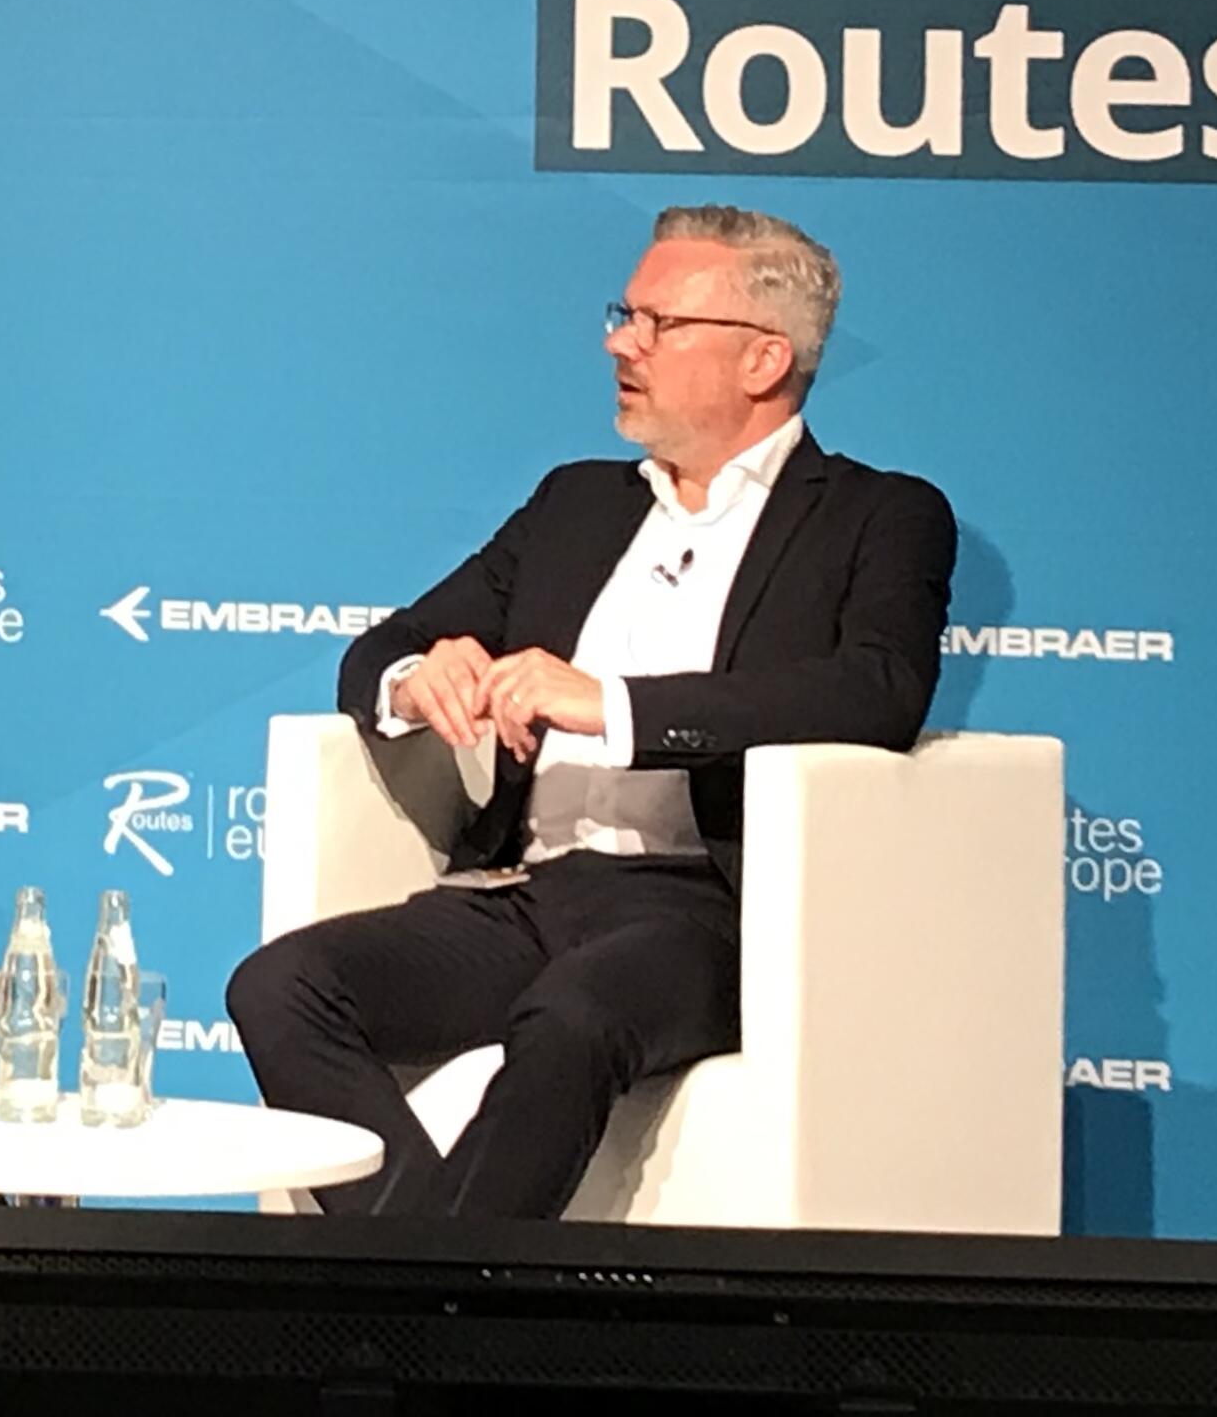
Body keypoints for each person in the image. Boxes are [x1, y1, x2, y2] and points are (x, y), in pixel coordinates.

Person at [227, 205, 954, 1219]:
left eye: (659, 322)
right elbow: (383, 648)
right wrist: (419, 677)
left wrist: (611, 706)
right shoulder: (576, 504)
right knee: (283, 985)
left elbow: (875, 690)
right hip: (528, 895)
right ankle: (431, 1276)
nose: (621, 344)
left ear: (763, 359)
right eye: (625, 315)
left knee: (570, 1017)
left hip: (702, 912)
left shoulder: (877, 514)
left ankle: (418, 1287)